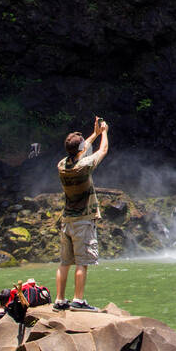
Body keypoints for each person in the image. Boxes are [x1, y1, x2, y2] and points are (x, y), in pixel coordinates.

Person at [54, 116, 109, 312]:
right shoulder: (84, 167)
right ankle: (78, 300)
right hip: (83, 221)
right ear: (81, 151)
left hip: (66, 221)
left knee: (64, 262)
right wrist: (105, 133)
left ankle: (59, 300)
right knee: (82, 262)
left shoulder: (62, 165)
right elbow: (103, 151)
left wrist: (94, 133)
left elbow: (81, 148)